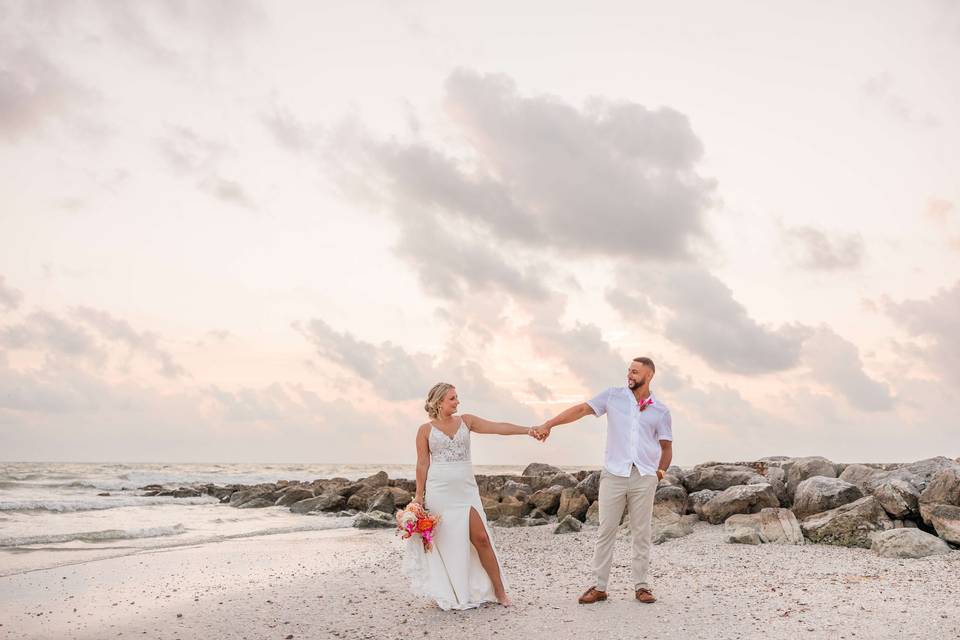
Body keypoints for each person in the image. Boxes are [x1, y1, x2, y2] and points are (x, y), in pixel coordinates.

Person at [533, 357, 673, 605]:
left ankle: (641, 586)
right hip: (613, 475)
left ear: (649, 375)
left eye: (635, 372)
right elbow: (581, 410)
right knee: (606, 530)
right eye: (628, 371)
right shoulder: (613, 396)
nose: (629, 375)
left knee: (641, 532)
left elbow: (666, 446)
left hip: (644, 477)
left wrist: (659, 474)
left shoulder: (660, 410)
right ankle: (599, 587)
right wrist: (550, 423)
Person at [402, 382, 541, 609]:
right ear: (439, 402)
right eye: (452, 398)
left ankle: (500, 592)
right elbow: (422, 463)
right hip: (440, 492)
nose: (457, 401)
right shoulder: (425, 430)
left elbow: (498, 427)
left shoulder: (466, 421)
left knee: (482, 539)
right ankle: (455, 591)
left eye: (457, 397)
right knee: (449, 543)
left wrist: (528, 429)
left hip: (466, 490)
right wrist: (419, 496)